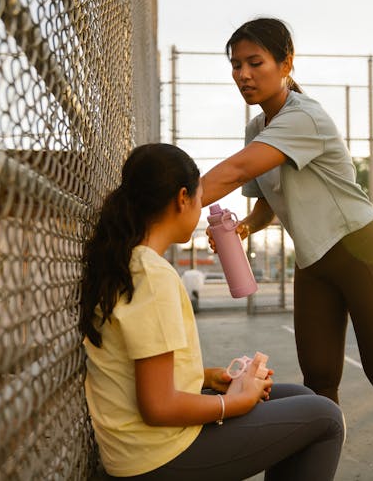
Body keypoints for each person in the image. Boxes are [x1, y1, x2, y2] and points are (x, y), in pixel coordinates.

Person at [200, 18, 373, 481]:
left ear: (286, 63)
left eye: (255, 62)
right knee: (319, 382)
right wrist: (244, 227)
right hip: (314, 261)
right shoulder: (259, 128)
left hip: (362, 249)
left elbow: (239, 169)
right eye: (236, 64)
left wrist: (169, 204)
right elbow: (267, 202)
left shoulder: (304, 116)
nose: (243, 74)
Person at [79, 143, 344, 481]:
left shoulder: (128, 261)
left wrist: (206, 377)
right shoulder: (152, 276)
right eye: (200, 198)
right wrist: (235, 403)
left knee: (300, 396)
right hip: (157, 457)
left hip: (140, 446)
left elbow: (137, 363)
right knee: (326, 417)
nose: (202, 210)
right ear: (182, 198)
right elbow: (158, 406)